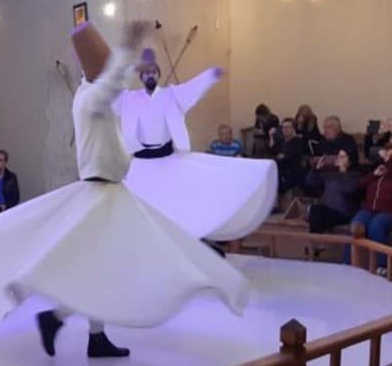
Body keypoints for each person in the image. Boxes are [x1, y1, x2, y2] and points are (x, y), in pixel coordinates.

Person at [0, 22, 248, 359]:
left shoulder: (85, 96)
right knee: (101, 262)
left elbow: (112, 89)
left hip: (106, 191)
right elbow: (110, 86)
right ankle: (56, 314)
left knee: (97, 265)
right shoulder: (92, 97)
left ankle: (79, 328)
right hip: (102, 192)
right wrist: (129, 48)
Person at [115, 49, 276, 242]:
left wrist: (210, 76)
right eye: (146, 72)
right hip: (140, 164)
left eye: (153, 72)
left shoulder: (171, 95)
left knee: (174, 204)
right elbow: (106, 92)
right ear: (140, 76)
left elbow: (193, 87)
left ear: (158, 75)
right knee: (140, 208)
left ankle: (177, 242)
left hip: (167, 161)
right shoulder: (128, 98)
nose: (150, 75)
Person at [350, 146, 392, 272]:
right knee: (356, 224)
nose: (388, 157)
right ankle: (349, 262)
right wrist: (374, 175)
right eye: (387, 154)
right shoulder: (378, 171)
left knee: (376, 226)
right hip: (369, 209)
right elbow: (359, 186)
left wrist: (388, 162)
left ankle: (382, 266)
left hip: (390, 212)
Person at [304, 150, 362, 233]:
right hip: (328, 210)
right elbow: (310, 183)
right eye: (338, 156)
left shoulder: (354, 175)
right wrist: (315, 170)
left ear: (350, 161)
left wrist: (343, 172)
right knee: (315, 210)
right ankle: (317, 244)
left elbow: (349, 190)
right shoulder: (330, 174)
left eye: (342, 157)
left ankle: (317, 244)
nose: (339, 159)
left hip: (343, 213)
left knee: (316, 211)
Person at [271, 118, 309, 196]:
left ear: (293, 128)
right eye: (283, 127)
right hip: (281, 169)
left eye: (288, 127)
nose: (285, 130)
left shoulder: (299, 142)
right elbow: (273, 151)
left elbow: (291, 156)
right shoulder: (281, 141)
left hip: (293, 171)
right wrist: (271, 136)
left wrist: (281, 156)